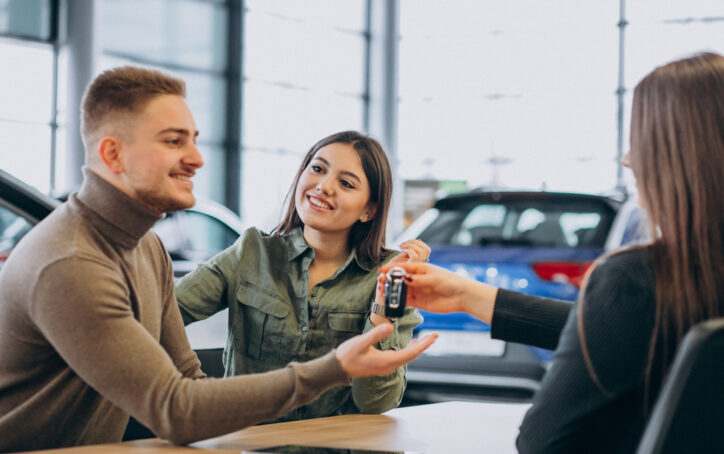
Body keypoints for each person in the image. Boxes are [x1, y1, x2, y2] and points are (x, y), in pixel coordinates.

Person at [0, 66, 437, 452]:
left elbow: (187, 379)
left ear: (369, 209)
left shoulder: (146, 247)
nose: (197, 158)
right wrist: (331, 369)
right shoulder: (71, 262)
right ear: (112, 154)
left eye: (193, 140)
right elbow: (176, 407)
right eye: (174, 142)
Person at [380, 51, 724, 453]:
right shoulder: (689, 279)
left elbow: (543, 442)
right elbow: (617, 329)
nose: (628, 160)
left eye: (641, 141)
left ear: (680, 157)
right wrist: (467, 296)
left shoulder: (636, 277)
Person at [175, 131, 429, 422]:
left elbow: (376, 402)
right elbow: (165, 312)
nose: (323, 187)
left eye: (346, 183)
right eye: (318, 169)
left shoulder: (388, 274)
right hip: (253, 444)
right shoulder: (252, 252)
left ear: (369, 210)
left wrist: (382, 311)